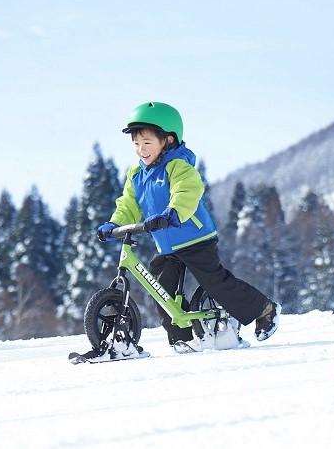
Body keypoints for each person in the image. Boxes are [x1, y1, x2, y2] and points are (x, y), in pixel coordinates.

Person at [97, 101, 280, 352]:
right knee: (162, 290)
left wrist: (173, 213)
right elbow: (129, 203)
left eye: (148, 143)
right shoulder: (136, 174)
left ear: (168, 140)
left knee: (215, 282)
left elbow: (186, 192)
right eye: (136, 144)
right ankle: (182, 338)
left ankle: (264, 309)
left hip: (195, 238)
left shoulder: (178, 166)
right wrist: (115, 223)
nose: (141, 149)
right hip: (167, 244)